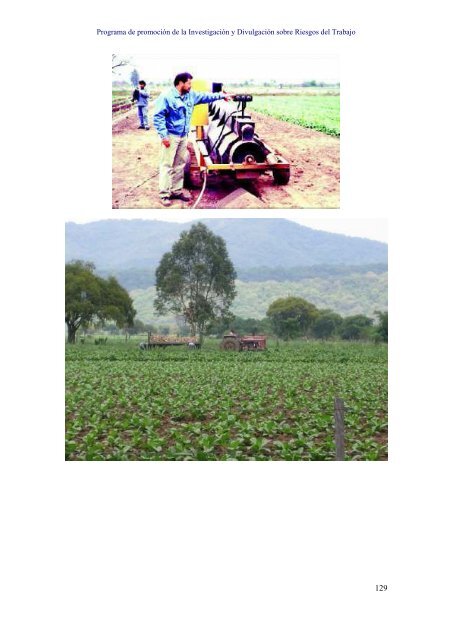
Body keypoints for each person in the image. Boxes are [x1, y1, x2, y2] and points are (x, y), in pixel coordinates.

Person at [153, 72, 231, 207]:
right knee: (167, 165)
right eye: (189, 83)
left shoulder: (191, 95)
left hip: (183, 135)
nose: (190, 86)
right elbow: (158, 117)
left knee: (180, 164)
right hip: (171, 136)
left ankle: (176, 191)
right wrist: (164, 136)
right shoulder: (167, 96)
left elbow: (206, 96)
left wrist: (222, 96)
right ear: (181, 83)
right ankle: (164, 194)